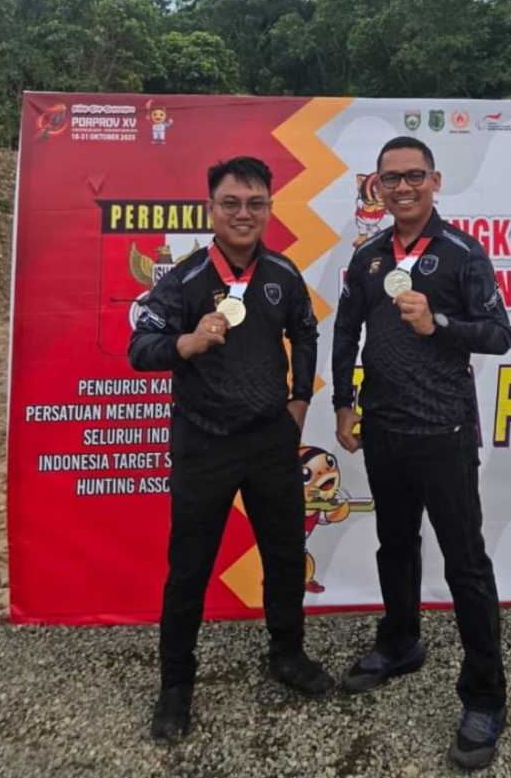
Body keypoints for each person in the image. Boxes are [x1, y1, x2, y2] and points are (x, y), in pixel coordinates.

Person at [129, 155, 332, 743]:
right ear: (211, 209)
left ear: (269, 208)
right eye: (231, 203)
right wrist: (186, 342)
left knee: (285, 557)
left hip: (269, 438)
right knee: (190, 568)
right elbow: (139, 348)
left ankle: (287, 654)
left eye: (255, 204)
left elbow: (306, 332)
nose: (244, 214)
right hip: (204, 441)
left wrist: (299, 400)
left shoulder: (282, 273)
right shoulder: (186, 278)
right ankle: (176, 686)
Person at [333, 136, 511, 771]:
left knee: (466, 564)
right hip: (384, 428)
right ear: (377, 187)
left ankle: (485, 696)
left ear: (435, 181)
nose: (403, 187)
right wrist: (343, 403)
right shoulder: (369, 257)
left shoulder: (463, 253)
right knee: (395, 545)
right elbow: (346, 330)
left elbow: (499, 335)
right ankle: (401, 642)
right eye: (391, 178)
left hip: (445, 431)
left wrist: (438, 324)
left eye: (414, 176)